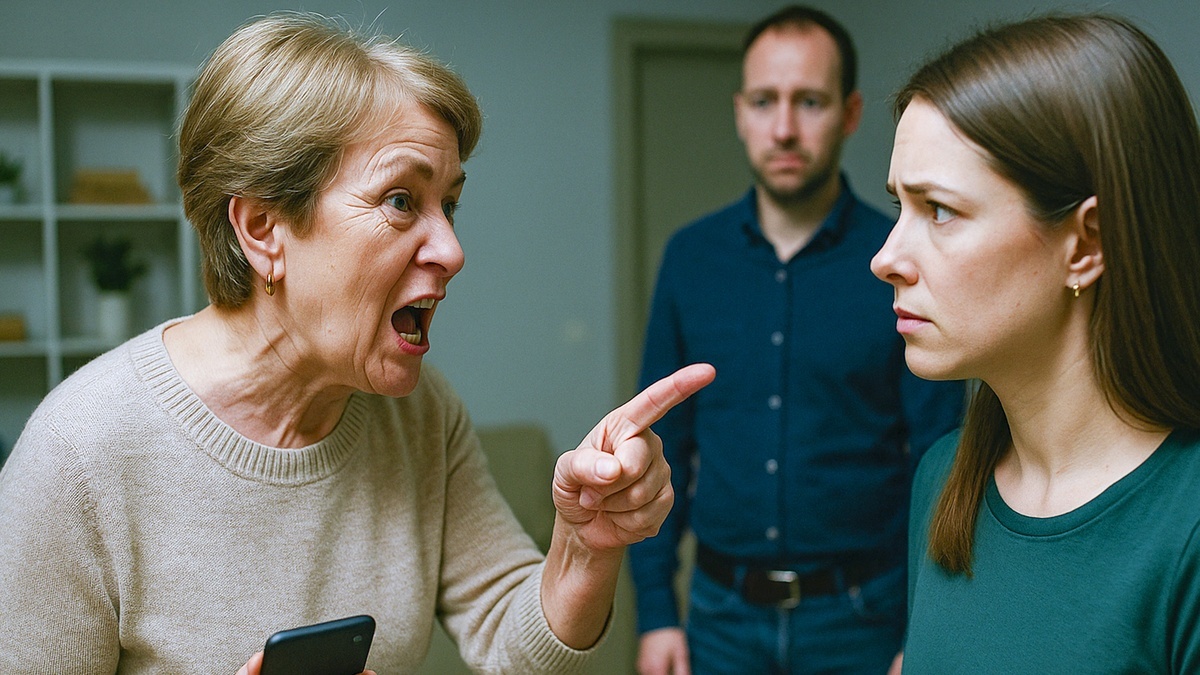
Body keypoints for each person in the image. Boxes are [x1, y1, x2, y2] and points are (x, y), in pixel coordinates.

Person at [0, 12, 715, 674]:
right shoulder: (79, 455)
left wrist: (584, 546)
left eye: (450, 203)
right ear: (263, 229)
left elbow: (510, 638)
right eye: (401, 200)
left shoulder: (420, 414)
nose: (452, 249)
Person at [629, 5, 965, 674]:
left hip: (864, 619)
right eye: (764, 101)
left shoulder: (901, 259)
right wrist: (656, 610)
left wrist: (926, 624)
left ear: (850, 112)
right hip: (719, 618)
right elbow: (657, 438)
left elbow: (942, 456)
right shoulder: (691, 258)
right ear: (740, 112)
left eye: (809, 101)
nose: (784, 128)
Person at [871, 13, 1200, 673]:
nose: (886, 259)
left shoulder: (1185, 526)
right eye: (899, 206)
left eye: (940, 210)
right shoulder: (945, 480)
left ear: (1085, 244)